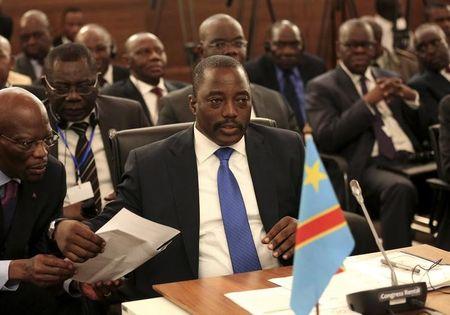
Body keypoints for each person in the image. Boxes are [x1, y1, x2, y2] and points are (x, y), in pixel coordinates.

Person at [53, 55, 375, 300]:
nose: (231, 112)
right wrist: (61, 230)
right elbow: (112, 224)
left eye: (242, 100)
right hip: (195, 297)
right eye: (216, 101)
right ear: (193, 104)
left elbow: (329, 220)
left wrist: (308, 228)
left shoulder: (286, 147)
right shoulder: (152, 163)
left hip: (277, 294)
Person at [306, 19, 422, 250]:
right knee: (399, 188)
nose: (359, 50)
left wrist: (411, 99)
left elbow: (420, 126)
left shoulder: (388, 75)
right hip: (365, 165)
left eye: (365, 45)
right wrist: (367, 102)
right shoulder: (323, 86)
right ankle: (400, 262)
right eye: (352, 45)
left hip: (411, 159)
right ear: (339, 48)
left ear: (376, 47)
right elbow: (327, 136)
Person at [43, 43, 149, 218]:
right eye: (61, 88)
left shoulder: (128, 114)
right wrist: (56, 218)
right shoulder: (31, 123)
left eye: (84, 86)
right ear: (45, 85)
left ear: (98, 82)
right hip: (57, 235)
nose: (73, 96)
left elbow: (151, 176)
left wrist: (131, 198)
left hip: (123, 224)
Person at [0, 87, 74, 314]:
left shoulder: (51, 174)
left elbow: (40, 250)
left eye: (47, 139)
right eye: (26, 143)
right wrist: (12, 269)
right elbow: (24, 267)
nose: (42, 152)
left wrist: (72, 280)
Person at [157, 14, 299, 132]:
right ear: (201, 51)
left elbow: (298, 156)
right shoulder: (175, 105)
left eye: (238, 43)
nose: (231, 50)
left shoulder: (276, 101)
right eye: (220, 44)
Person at [245, 19, 326, 130]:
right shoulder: (253, 72)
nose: (288, 51)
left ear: (302, 45)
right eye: (280, 45)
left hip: (316, 136)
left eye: (294, 44)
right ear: (268, 46)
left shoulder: (316, 67)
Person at [102, 32, 187, 125]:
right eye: (145, 52)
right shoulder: (112, 96)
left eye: (159, 51)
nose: (155, 57)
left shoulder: (184, 91)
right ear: (127, 61)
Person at [408, 23, 450, 138]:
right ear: (416, 55)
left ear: (446, 42)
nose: (430, 51)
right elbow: (440, 125)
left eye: (435, 43)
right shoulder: (418, 85)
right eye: (422, 48)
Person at [362, 16, 419, 82]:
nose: (359, 49)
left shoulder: (408, 64)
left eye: (364, 44)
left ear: (378, 40)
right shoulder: (356, 66)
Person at [14, 10, 52, 82]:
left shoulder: (62, 60)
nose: (31, 42)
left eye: (37, 35)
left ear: (49, 32)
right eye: (25, 37)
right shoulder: (14, 67)